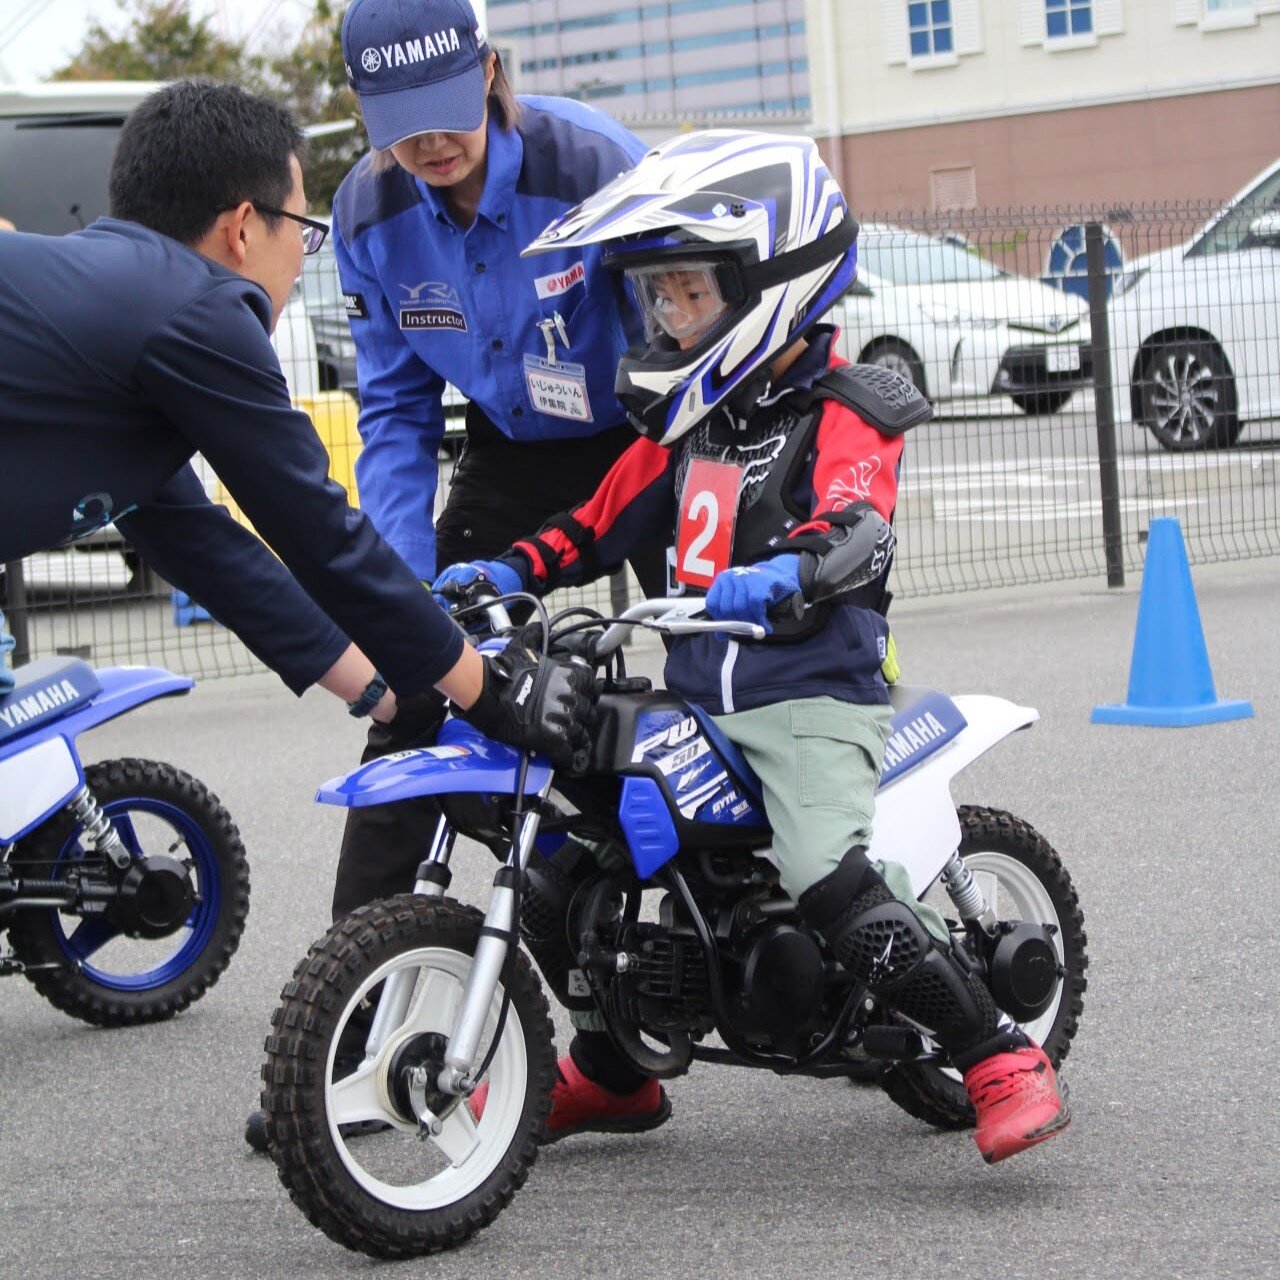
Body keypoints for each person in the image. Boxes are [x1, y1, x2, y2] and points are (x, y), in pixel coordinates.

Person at [440, 130, 1071, 1164]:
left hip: (808, 699)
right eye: (659, 298)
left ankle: (995, 1050)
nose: (669, 317)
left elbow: (855, 523)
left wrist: (791, 571)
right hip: (696, 698)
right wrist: (504, 571)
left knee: (825, 871)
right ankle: (614, 1069)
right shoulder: (685, 423)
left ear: (771, 280)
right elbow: (589, 525)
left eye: (689, 294)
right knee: (564, 867)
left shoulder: (846, 408)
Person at [0, 80, 593, 853]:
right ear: (244, 227)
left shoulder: (125, 305)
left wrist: (391, 698)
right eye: (301, 231)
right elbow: (318, 528)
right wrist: (491, 691)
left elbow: (205, 546)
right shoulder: (195, 310)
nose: (300, 256)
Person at [323, 2, 666, 957]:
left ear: (488, 72)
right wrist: (402, 585)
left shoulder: (596, 166)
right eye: (398, 120)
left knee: (729, 672)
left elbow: (682, 341)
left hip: (653, 431)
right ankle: (356, 999)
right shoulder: (368, 211)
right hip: (513, 449)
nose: (428, 142)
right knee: (419, 685)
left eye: (443, 108)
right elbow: (395, 413)